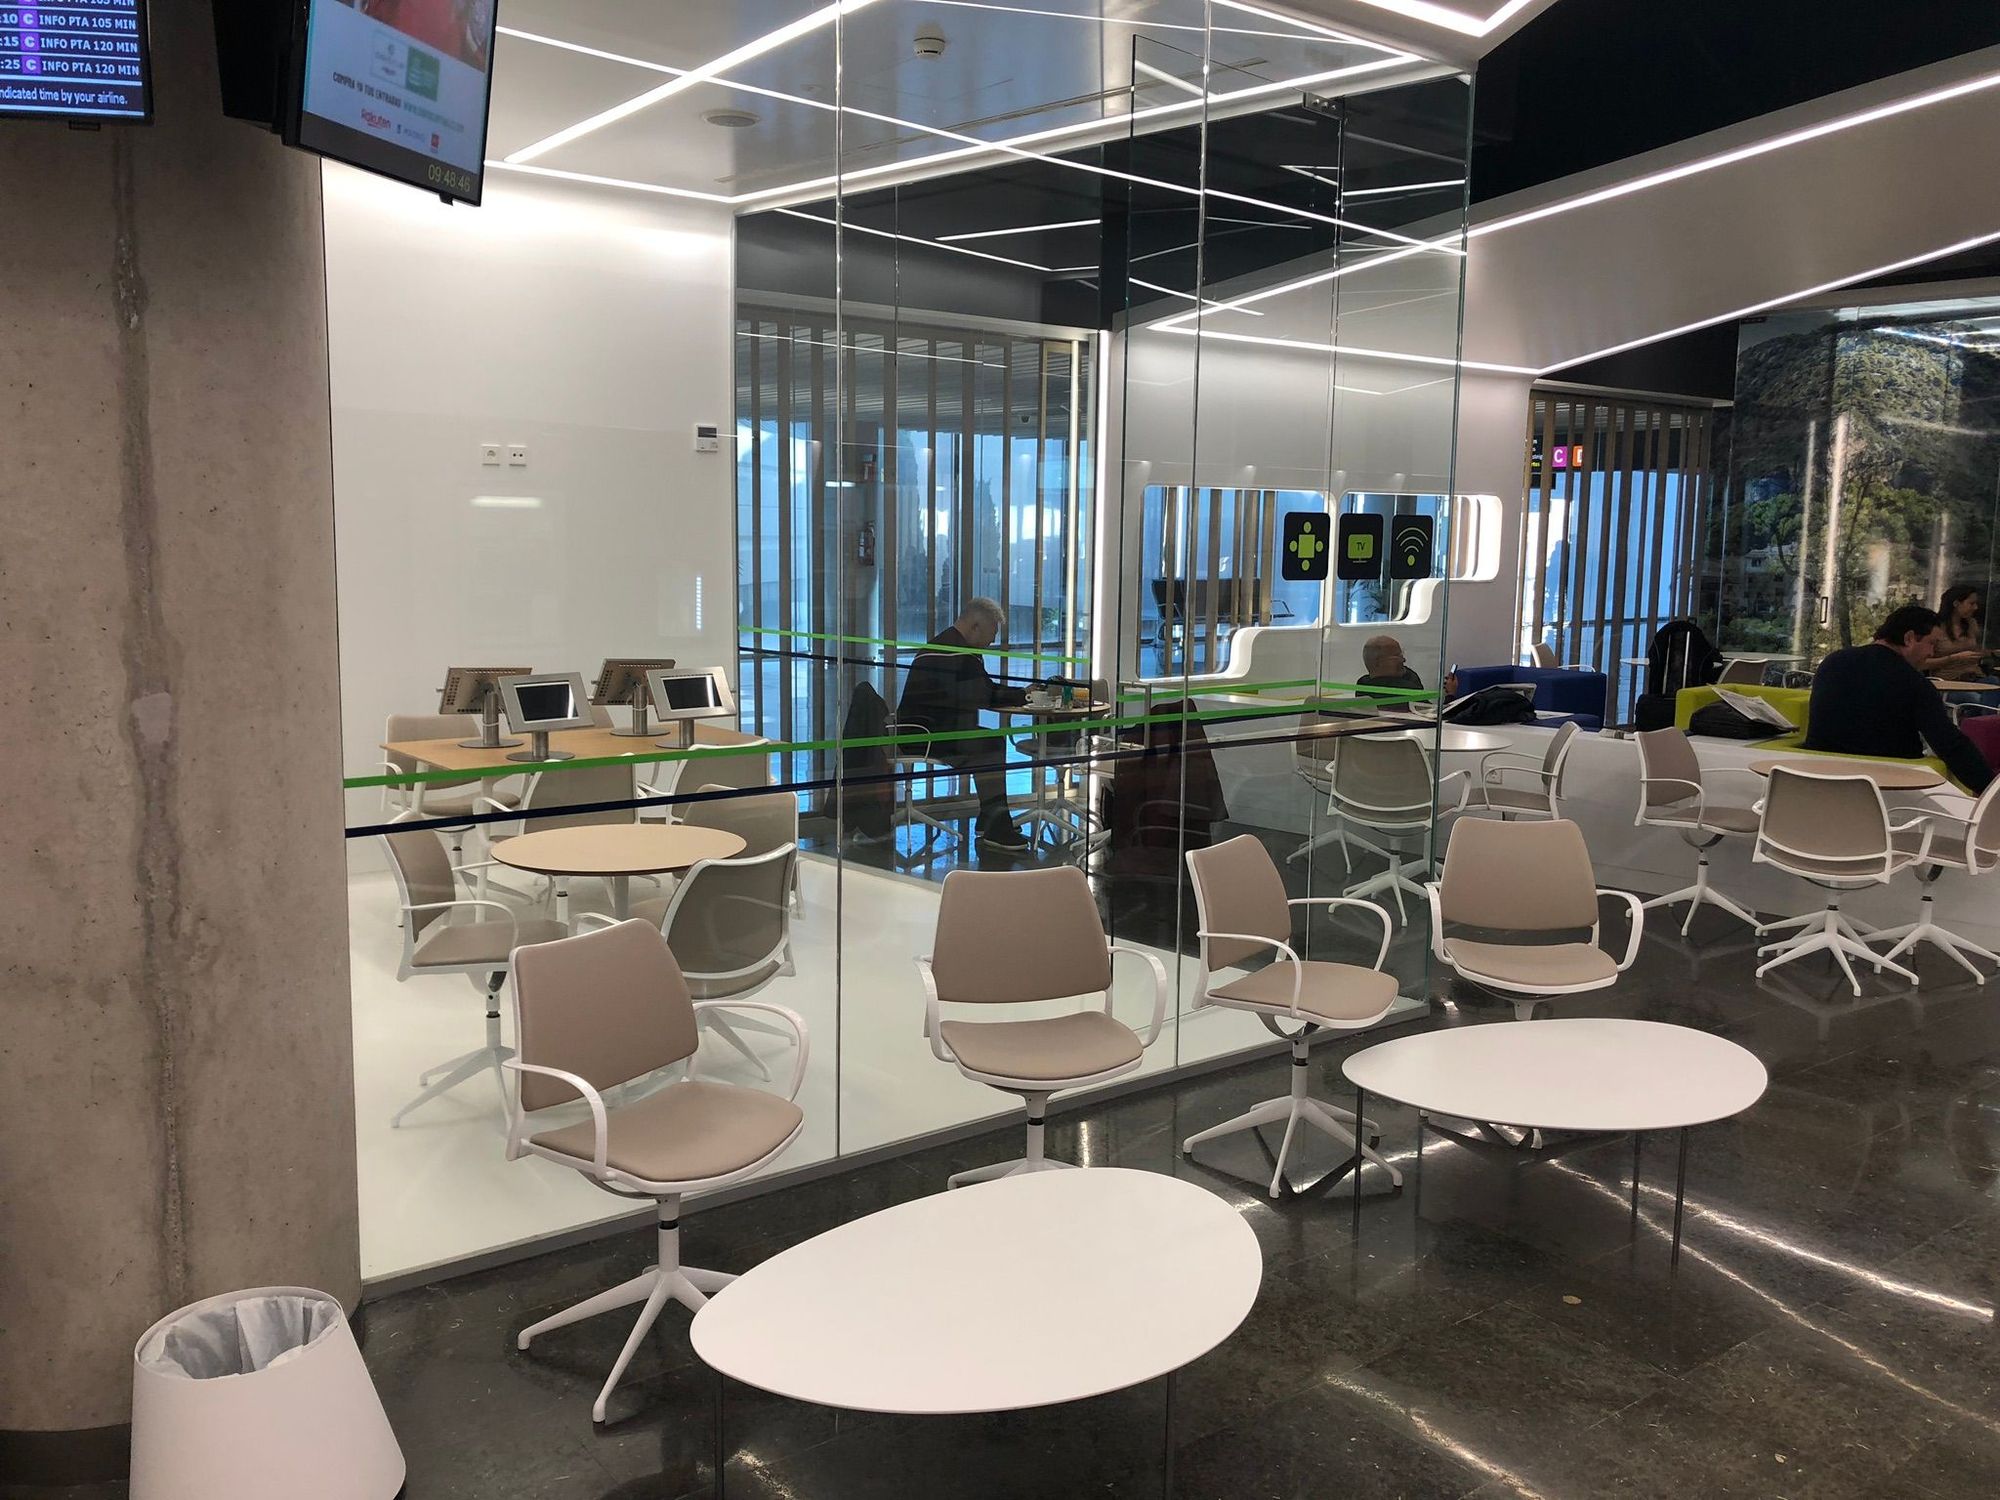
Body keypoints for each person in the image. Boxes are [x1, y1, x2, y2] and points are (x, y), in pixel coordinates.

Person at [1804, 604, 1992, 792]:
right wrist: (1991, 789)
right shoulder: (1913, 682)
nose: (1932, 653)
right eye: (1931, 643)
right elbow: (1950, 745)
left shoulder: (1832, 663)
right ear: (1909, 638)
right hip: (1891, 786)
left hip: (1815, 780)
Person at [896, 597, 1032, 850]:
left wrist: (1021, 694)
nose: (992, 641)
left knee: (988, 742)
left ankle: (990, 819)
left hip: (925, 728)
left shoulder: (945, 645)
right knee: (990, 745)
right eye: (992, 632)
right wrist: (1025, 695)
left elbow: (982, 689)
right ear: (975, 626)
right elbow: (983, 695)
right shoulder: (956, 654)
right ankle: (995, 827)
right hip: (926, 735)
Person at [1356, 635, 1457, 707]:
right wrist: (1451, 694)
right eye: (1397, 656)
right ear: (1379, 662)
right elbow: (1439, 716)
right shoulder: (1405, 689)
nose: (1403, 660)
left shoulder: (1362, 686)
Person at [1931, 585, 1996, 683]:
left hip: (1975, 676)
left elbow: (1976, 651)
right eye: (1971, 603)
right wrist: (1954, 658)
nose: (1975, 607)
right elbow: (1923, 663)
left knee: (1993, 682)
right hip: (1948, 680)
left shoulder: (1971, 623)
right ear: (1956, 603)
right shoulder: (1935, 627)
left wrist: (1992, 653)